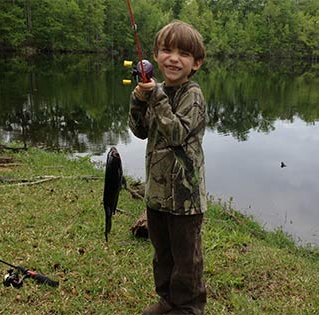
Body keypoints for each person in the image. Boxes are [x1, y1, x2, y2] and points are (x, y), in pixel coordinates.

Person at [128, 20, 207, 315]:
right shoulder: (155, 91)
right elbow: (140, 130)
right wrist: (138, 99)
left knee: (187, 260)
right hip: (157, 194)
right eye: (167, 50)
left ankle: (188, 307)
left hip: (185, 199)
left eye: (184, 54)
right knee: (162, 255)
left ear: (195, 63)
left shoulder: (193, 96)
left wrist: (155, 96)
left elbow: (176, 134)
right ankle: (167, 300)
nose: (174, 58)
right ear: (156, 54)